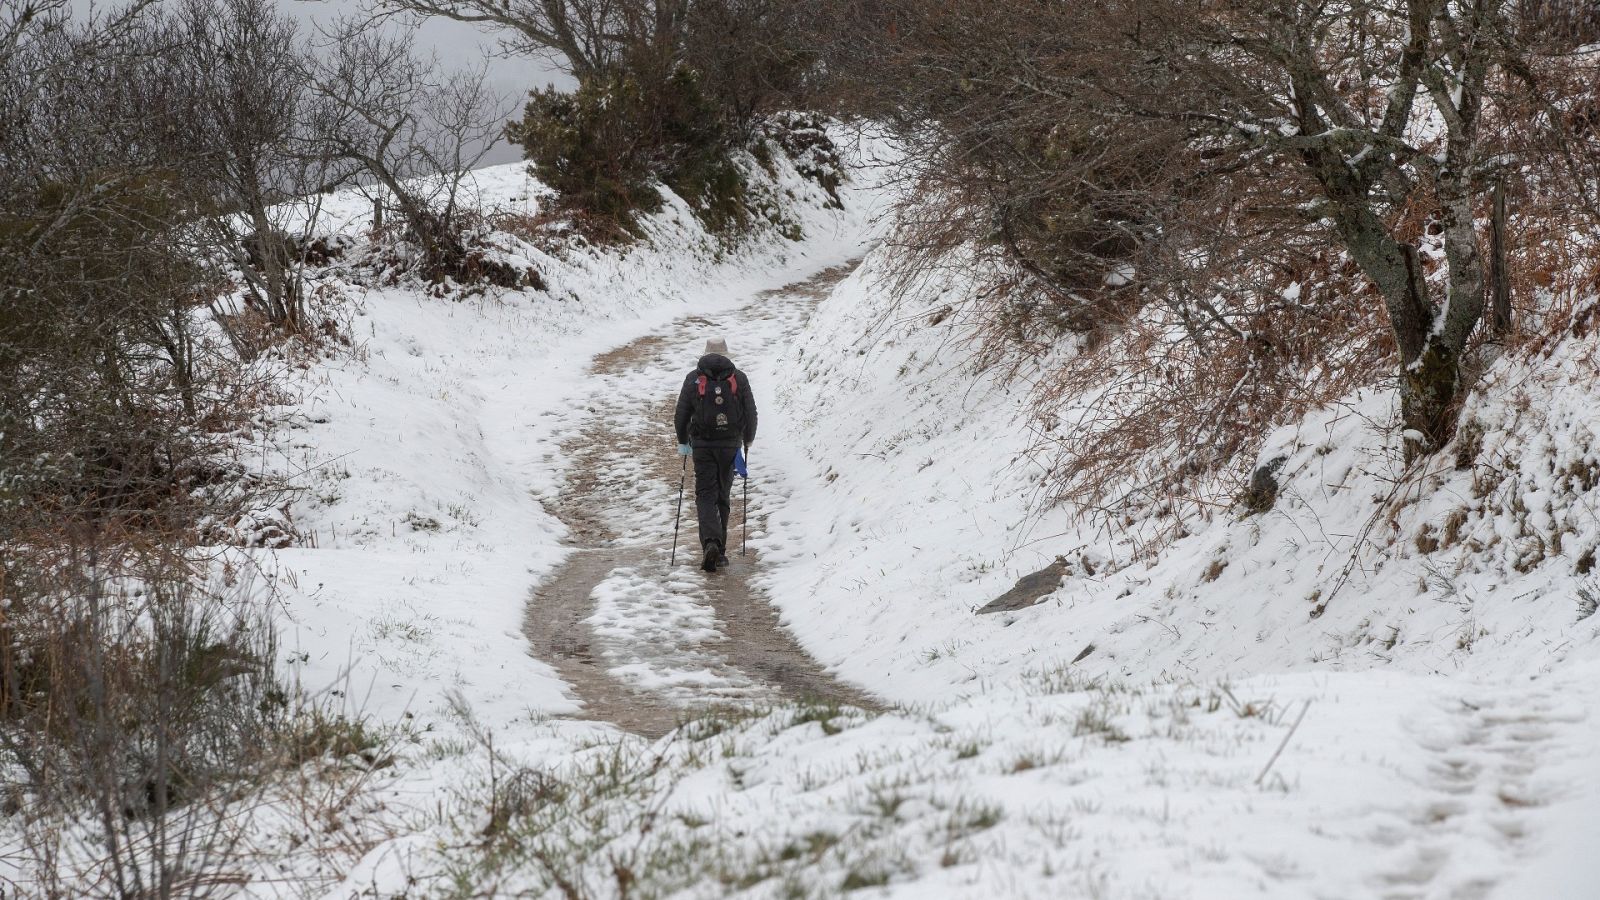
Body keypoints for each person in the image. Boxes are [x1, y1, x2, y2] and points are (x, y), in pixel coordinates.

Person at [674, 338, 756, 572]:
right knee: (723, 494)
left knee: (706, 493)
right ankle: (720, 552)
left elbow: (681, 414)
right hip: (730, 445)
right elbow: (751, 412)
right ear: (727, 355)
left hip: (702, 445)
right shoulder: (739, 378)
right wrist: (748, 439)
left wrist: (683, 441)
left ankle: (711, 542)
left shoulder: (694, 378)